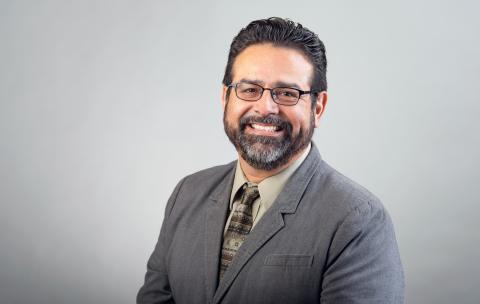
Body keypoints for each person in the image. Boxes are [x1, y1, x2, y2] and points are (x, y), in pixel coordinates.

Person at [137, 17, 405, 304]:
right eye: (249, 89)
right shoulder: (187, 194)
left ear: (318, 106)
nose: (265, 107)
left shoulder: (358, 220)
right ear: (226, 97)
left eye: (287, 94)